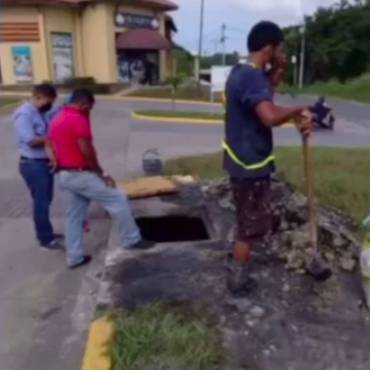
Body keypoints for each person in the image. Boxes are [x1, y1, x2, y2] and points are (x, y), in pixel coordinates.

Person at [223, 21, 312, 296]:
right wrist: (300, 109)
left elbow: (265, 95)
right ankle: (237, 281)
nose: (281, 52)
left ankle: (237, 260)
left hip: (241, 160)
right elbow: (270, 115)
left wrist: (279, 69)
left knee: (249, 220)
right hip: (250, 165)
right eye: (279, 48)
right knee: (249, 229)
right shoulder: (250, 77)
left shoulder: (242, 72)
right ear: (268, 48)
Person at [48, 89, 153, 269]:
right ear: (83, 104)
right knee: (118, 198)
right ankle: (132, 239)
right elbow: (86, 150)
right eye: (89, 108)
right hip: (81, 174)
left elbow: (51, 144)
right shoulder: (78, 120)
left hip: (65, 175)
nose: (89, 111)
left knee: (74, 216)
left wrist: (56, 161)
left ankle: (74, 257)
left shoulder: (57, 118)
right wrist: (101, 173)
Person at [13, 83, 63, 249]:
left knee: (46, 200)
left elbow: (50, 122)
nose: (50, 105)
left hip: (42, 163)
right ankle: (45, 239)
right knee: (41, 202)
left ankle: (45, 231)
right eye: (48, 101)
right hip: (33, 164)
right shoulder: (24, 114)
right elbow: (31, 140)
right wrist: (50, 139)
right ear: (38, 97)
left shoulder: (39, 112)